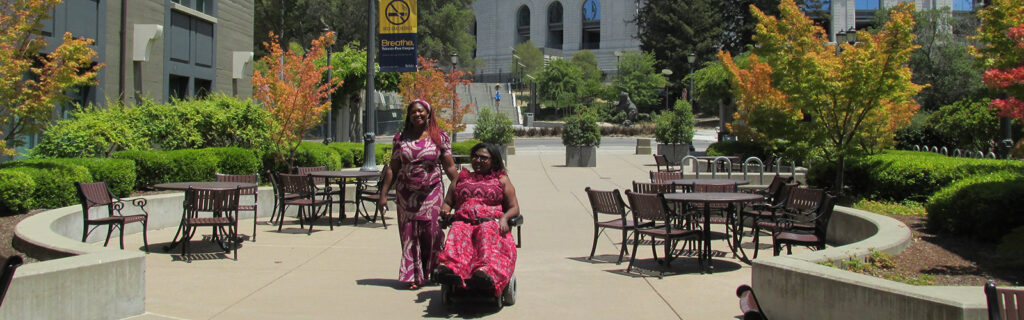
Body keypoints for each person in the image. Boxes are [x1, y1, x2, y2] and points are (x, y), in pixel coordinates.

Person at [379, 99, 459, 290]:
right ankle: (415, 275)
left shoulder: (439, 137)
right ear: (409, 116)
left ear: (428, 113)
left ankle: (433, 269)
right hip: (406, 195)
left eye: (421, 111)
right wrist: (383, 194)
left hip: (432, 192)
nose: (417, 115)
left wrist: (461, 187)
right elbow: (394, 167)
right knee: (410, 236)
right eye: (413, 112)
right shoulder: (400, 139)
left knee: (433, 232)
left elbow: (449, 166)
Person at [434, 143, 520, 296]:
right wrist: (445, 211)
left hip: (490, 222)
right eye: (475, 156)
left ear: (493, 160)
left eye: (483, 158)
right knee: (458, 229)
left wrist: (505, 219)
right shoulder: (461, 178)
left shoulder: (502, 180)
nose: (478, 160)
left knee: (485, 230)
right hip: (463, 221)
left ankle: (485, 272)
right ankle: (451, 270)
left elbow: (514, 207)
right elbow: (448, 202)